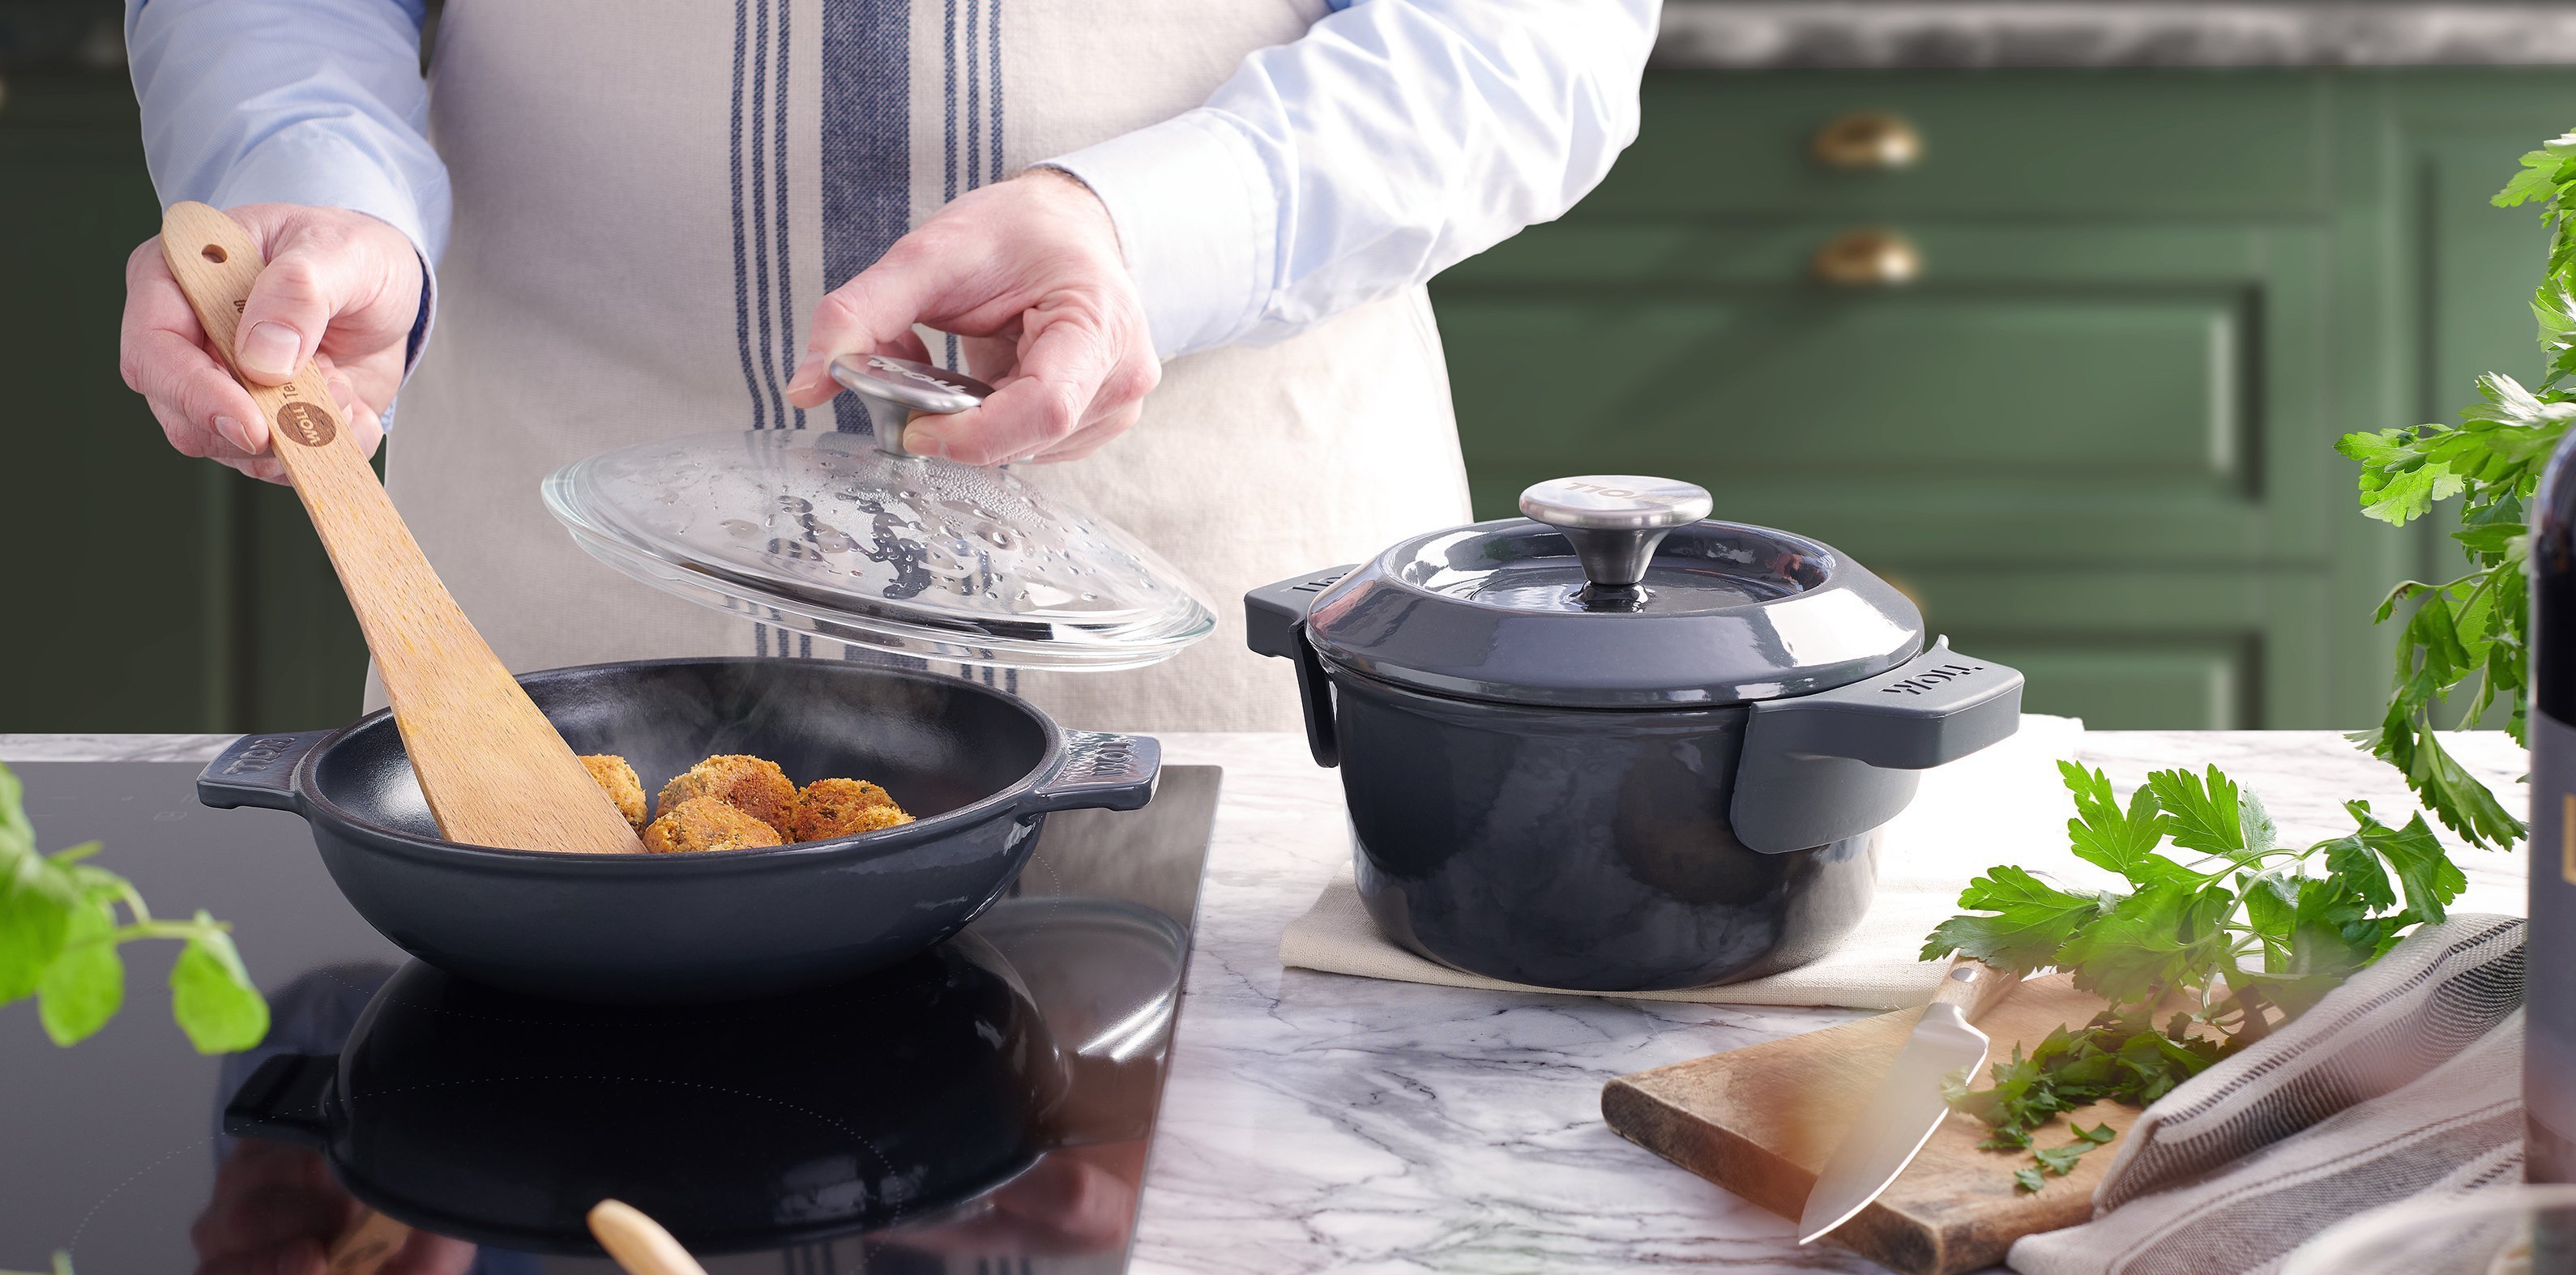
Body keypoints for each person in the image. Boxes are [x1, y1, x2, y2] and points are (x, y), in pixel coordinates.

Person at [117, 0, 1656, 731]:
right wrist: (321, 192)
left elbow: (1524, 30)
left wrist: (1143, 234)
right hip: (549, 659)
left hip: (1215, 653)